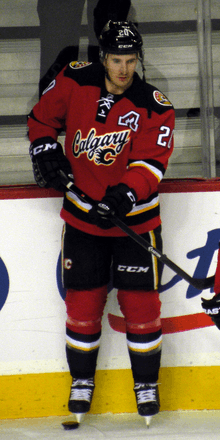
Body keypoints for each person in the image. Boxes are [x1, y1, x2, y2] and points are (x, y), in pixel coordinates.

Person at [27, 21, 175, 424]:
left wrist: (125, 194)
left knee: (142, 307)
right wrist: (44, 149)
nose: (123, 70)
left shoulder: (155, 105)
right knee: (82, 305)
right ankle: (81, 381)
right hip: (82, 219)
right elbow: (41, 120)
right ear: (102, 57)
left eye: (130, 61)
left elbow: (151, 163)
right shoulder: (74, 81)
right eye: (115, 60)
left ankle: (146, 383)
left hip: (136, 223)